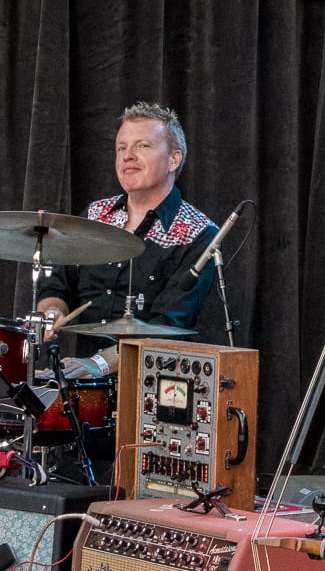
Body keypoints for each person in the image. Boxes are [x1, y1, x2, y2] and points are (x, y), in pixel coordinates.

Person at [36, 101, 218, 379]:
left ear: (173, 159)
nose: (128, 156)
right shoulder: (95, 216)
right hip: (81, 381)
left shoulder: (197, 232)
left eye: (143, 146)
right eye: (121, 148)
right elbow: (57, 286)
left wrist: (98, 364)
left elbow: (168, 324)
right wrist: (51, 312)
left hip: (153, 388)